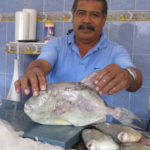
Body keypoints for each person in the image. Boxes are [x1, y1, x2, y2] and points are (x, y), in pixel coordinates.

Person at [15, 0, 142, 104]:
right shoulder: (56, 45)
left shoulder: (116, 51)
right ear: (73, 17)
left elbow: (135, 80)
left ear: (103, 21)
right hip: (55, 121)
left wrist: (129, 75)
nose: (87, 20)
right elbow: (41, 64)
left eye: (94, 15)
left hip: (95, 128)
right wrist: (34, 69)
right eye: (81, 13)